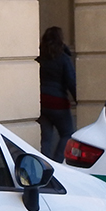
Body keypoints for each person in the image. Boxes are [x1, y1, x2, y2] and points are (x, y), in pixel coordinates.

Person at [38, 26, 77, 162]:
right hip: (58, 102)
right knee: (67, 133)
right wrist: (78, 99)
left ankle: (45, 165)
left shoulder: (39, 57)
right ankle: (57, 163)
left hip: (42, 101)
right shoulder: (63, 58)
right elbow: (71, 81)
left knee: (46, 138)